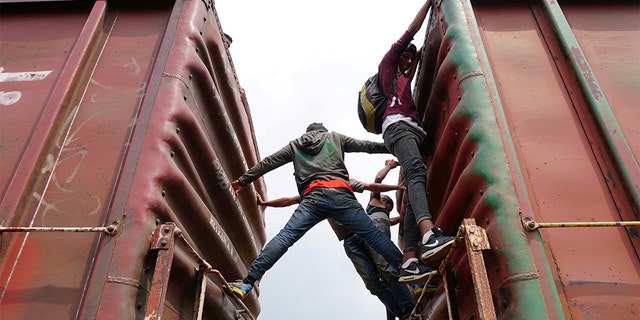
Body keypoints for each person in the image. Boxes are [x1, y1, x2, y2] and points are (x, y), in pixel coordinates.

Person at [228, 123, 434, 301]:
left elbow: (268, 162)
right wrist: (396, 148)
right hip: (341, 194)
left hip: (312, 198)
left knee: (285, 237)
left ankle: (248, 282)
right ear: (323, 131)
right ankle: (410, 273)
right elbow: (367, 146)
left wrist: (243, 181)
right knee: (373, 236)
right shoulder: (334, 137)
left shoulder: (295, 145)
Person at [256, 160, 416, 319]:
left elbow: (372, 185)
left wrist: (394, 179)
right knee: (372, 283)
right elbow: (289, 200)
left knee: (386, 269)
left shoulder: (342, 181)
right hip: (349, 241)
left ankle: (408, 310)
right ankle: (402, 314)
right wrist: (265, 203)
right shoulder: (313, 191)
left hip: (363, 232)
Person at [377, 0, 455, 283]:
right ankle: (429, 235)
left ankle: (410, 259)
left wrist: (419, 54)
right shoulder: (388, 66)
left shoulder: (405, 78)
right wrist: (429, 4)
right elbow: (411, 31)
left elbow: (418, 53)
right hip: (398, 128)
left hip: (407, 130)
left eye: (412, 58)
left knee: (412, 190)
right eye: (405, 58)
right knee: (416, 173)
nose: (408, 60)